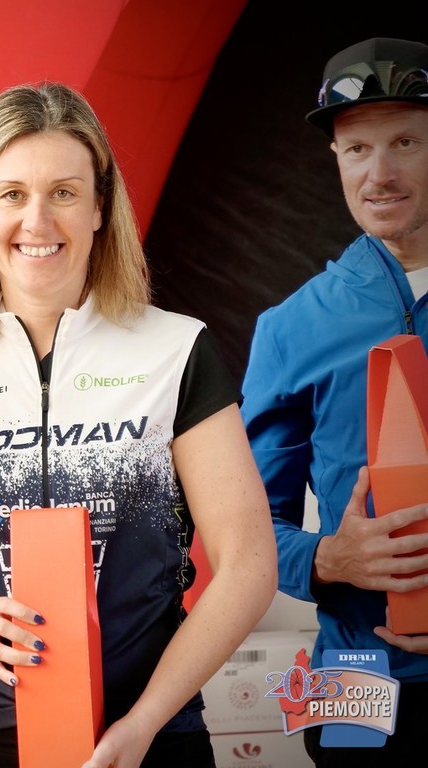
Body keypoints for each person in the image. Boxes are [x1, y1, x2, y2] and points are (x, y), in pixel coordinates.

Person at [0, 82, 277, 768]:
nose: (36, 220)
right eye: (11, 194)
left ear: (100, 207)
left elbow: (247, 564)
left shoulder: (177, 349)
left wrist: (145, 722)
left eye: (63, 193)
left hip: (146, 732)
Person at [240, 37, 428, 765]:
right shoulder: (288, 329)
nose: (379, 175)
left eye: (405, 142)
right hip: (352, 675)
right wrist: (329, 558)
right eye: (357, 150)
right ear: (335, 159)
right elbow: (248, 531)